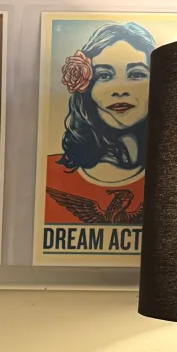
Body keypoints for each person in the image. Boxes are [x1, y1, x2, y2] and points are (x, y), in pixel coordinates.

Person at [42, 22, 157, 227]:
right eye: (104, 76)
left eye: (136, 74)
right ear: (86, 88)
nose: (120, 90)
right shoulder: (51, 173)